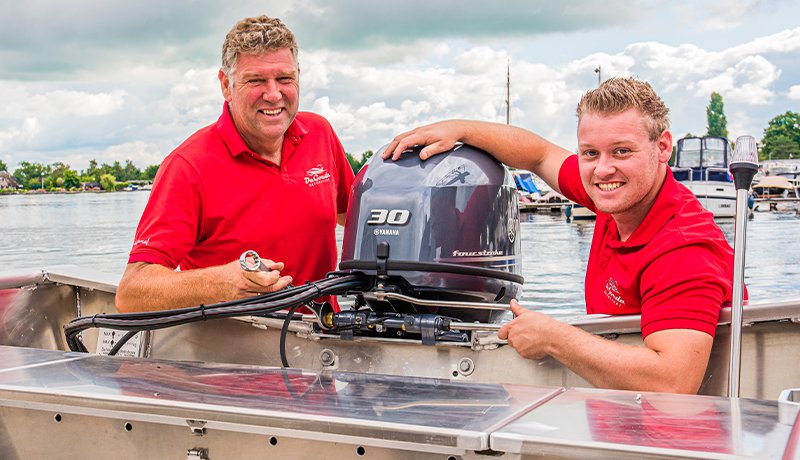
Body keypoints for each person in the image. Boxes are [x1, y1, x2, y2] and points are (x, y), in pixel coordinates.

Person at [383, 77, 737, 394]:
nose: (602, 169)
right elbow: (538, 155)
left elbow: (672, 383)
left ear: (662, 148)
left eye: (622, 151)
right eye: (590, 153)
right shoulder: (614, 195)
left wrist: (554, 339)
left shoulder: (684, 248)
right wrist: (459, 129)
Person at [115, 15, 354, 312]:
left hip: (324, 339)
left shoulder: (320, 134)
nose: (273, 94)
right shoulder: (188, 166)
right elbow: (131, 292)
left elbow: (357, 219)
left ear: (298, 76)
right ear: (226, 85)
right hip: (231, 347)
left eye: (284, 78)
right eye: (256, 80)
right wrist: (221, 284)